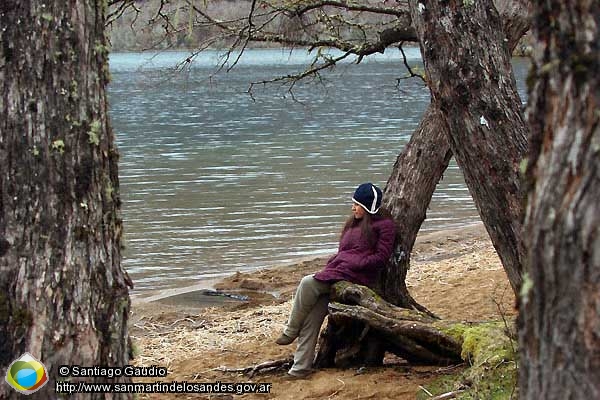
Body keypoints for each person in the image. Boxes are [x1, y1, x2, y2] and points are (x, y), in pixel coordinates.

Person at [275, 182, 396, 378]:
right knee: (312, 318)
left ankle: (290, 330)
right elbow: (345, 252)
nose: (353, 208)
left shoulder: (385, 226)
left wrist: (353, 262)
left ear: (366, 207)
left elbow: (381, 259)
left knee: (307, 282)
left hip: (357, 278)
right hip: (340, 273)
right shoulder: (354, 223)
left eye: (357, 204)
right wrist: (342, 261)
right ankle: (300, 369)